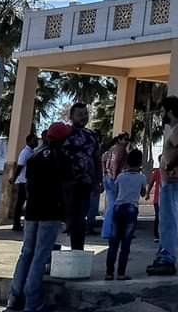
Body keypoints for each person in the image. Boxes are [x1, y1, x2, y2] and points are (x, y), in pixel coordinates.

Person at [5, 122, 70, 312]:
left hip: (32, 212)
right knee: (41, 255)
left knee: (26, 253)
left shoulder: (34, 157)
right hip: (50, 212)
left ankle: (14, 300)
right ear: (61, 139)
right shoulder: (62, 158)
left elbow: (29, 184)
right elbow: (65, 189)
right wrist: (68, 215)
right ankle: (32, 302)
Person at [148, 95, 178, 276]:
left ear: (170, 111)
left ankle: (167, 258)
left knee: (168, 222)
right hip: (172, 182)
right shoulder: (176, 129)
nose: (162, 115)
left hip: (173, 182)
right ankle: (163, 255)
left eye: (163, 111)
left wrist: (168, 166)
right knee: (167, 221)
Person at [60, 102, 101, 251]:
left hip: (85, 182)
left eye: (86, 114)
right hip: (66, 183)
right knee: (64, 217)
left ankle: (77, 250)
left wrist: (98, 179)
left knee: (80, 218)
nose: (83, 117)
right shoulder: (65, 133)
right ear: (71, 117)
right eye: (80, 114)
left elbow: (96, 158)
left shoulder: (92, 135)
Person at [106, 148, 146, 281]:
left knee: (113, 242)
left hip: (118, 208)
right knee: (126, 243)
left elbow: (116, 191)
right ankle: (121, 273)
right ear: (140, 163)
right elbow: (143, 193)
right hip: (131, 209)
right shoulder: (141, 177)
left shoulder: (121, 176)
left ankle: (109, 272)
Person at [101, 133, 130, 240]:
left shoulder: (110, 150)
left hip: (106, 178)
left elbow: (103, 160)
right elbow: (116, 161)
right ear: (119, 140)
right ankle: (111, 231)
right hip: (114, 178)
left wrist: (105, 172)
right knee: (115, 205)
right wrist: (113, 175)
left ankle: (107, 230)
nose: (127, 141)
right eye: (125, 139)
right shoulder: (120, 149)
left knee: (110, 205)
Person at [11, 132, 39, 232]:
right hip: (23, 181)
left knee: (24, 202)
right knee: (20, 203)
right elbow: (20, 166)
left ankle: (19, 223)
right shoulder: (25, 153)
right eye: (34, 140)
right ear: (28, 141)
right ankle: (16, 224)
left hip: (28, 181)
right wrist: (14, 179)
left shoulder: (32, 152)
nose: (36, 142)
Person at [147, 155, 162, 241]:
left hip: (162, 199)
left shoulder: (167, 171)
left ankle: (160, 233)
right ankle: (156, 234)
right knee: (158, 216)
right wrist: (148, 193)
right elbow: (151, 183)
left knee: (160, 217)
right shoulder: (157, 172)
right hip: (157, 198)